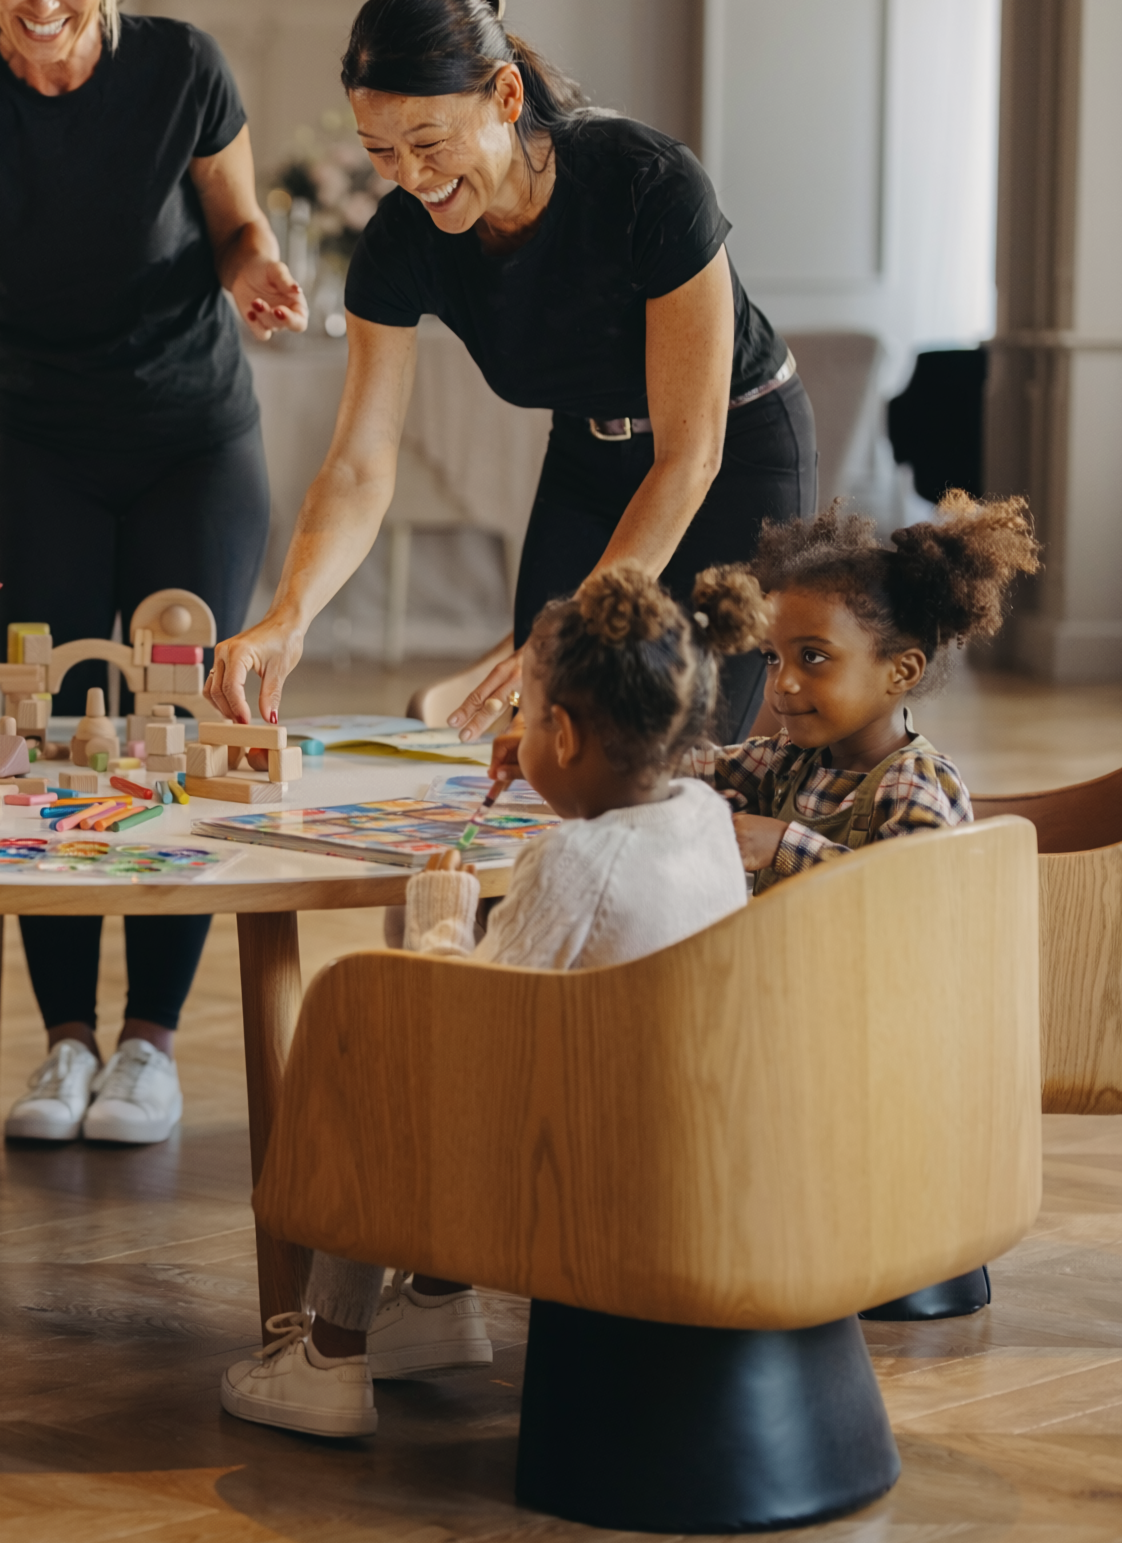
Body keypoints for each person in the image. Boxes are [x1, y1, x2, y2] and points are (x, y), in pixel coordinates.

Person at [0, 0, 307, 1146]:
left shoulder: (183, 66)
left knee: (169, 725)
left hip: (195, 437)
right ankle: (65, 1041)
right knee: (55, 724)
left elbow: (238, 223)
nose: (46, 5)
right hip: (43, 442)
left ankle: (151, 1045)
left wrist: (251, 269)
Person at [209, 0, 816, 761]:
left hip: (734, 453)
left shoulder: (648, 183)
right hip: (589, 455)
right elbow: (360, 465)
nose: (411, 175)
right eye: (381, 151)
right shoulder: (399, 242)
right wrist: (289, 613)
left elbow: (688, 455)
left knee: (679, 753)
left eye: (429, 143)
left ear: (504, 94)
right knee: (545, 746)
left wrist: (580, 623)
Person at [219, 563, 763, 1439]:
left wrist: (440, 915)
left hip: (569, 1178)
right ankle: (434, 1307)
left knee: (371, 1050)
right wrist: (554, 771)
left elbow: (465, 1025)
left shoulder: (570, 867)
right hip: (679, 1140)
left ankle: (327, 1357)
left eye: (527, 715)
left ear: (570, 734)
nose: (516, 733)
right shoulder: (700, 812)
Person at [688, 491, 1040, 891]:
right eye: (771, 657)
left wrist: (784, 845)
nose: (781, 682)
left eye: (813, 657)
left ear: (901, 671)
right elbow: (692, 768)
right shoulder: (787, 759)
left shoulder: (915, 780)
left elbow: (910, 890)